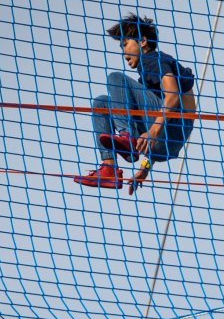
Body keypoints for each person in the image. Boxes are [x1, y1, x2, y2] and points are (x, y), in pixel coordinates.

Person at [73, 14, 196, 194]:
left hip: (174, 130)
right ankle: (109, 168)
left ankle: (127, 136)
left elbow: (173, 97)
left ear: (143, 41)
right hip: (164, 145)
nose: (123, 52)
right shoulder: (147, 77)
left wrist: (153, 131)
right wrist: (144, 169)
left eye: (125, 44)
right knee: (101, 103)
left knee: (116, 78)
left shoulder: (153, 60)